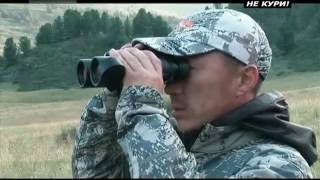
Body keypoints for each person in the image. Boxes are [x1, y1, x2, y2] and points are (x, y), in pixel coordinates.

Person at [71, 8, 318, 178]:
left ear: (244, 79)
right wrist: (115, 97)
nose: (170, 86)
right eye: (170, 69)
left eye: (184, 69)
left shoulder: (279, 165)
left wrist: (143, 108)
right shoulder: (176, 145)